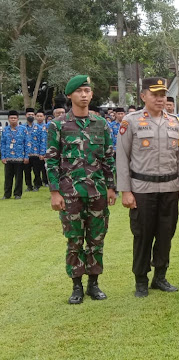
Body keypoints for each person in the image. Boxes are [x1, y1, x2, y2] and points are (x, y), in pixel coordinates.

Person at [45, 75, 117, 304]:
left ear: (91, 94)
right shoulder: (58, 125)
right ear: (70, 95)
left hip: (97, 192)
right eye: (79, 91)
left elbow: (108, 158)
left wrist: (111, 187)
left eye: (87, 90)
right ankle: (76, 286)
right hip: (70, 193)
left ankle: (93, 284)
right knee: (74, 239)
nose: (84, 95)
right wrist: (55, 192)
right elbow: (52, 160)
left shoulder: (101, 124)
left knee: (97, 239)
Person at [116, 77, 179, 297]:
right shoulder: (131, 121)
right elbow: (122, 157)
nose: (160, 98)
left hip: (169, 188)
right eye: (155, 94)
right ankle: (141, 279)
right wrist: (126, 191)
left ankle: (160, 277)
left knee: (166, 234)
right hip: (142, 189)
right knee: (143, 236)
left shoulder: (175, 121)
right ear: (143, 96)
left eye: (163, 95)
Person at [2, 110, 28, 199]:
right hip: (8, 158)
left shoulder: (23, 129)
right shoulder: (5, 130)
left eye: (15, 118)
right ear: (8, 119)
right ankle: (6, 194)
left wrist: (26, 156)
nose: (13, 119)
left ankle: (17, 194)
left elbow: (27, 143)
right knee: (8, 177)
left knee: (19, 178)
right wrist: (3, 156)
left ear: (17, 119)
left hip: (20, 157)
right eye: (11, 118)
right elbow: (2, 144)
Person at [23, 108, 39, 192]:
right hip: (26, 154)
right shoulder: (21, 128)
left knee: (36, 171)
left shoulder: (38, 128)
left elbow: (41, 140)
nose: (31, 116)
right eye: (29, 115)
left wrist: (42, 153)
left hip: (36, 153)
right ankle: (29, 186)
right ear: (26, 116)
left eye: (32, 115)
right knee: (27, 171)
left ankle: (37, 185)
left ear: (34, 116)